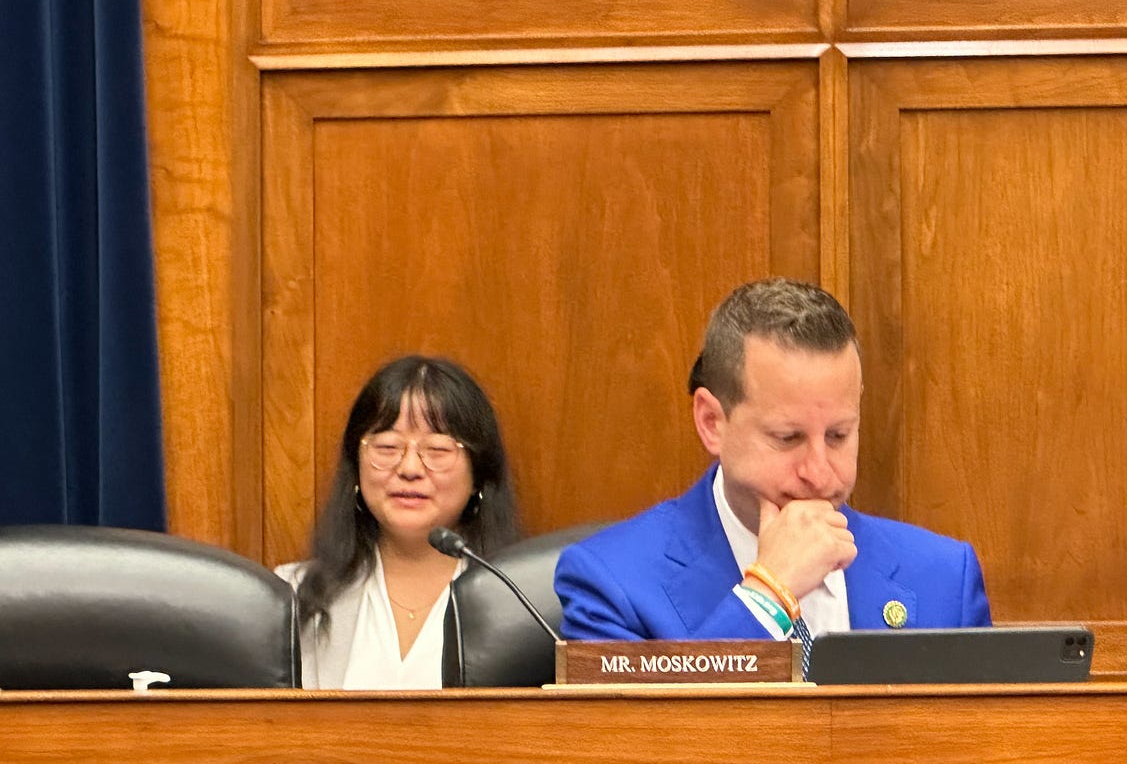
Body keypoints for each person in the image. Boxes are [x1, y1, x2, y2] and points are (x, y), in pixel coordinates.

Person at [553, 278, 990, 658]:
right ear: (711, 422)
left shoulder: (944, 577)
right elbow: (650, 749)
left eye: (838, 435)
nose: (819, 473)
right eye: (788, 438)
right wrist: (768, 595)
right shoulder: (613, 584)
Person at [278, 356, 520, 688]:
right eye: (387, 446)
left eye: (436, 449)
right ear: (356, 467)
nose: (409, 468)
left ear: (479, 474)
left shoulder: (522, 603)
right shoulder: (291, 595)